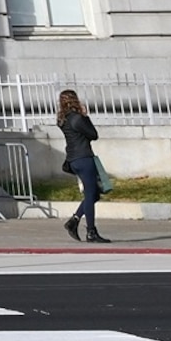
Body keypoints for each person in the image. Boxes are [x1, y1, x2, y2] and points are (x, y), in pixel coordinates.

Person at [57, 88, 108, 243]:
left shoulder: (62, 120)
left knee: (94, 194)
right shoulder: (78, 119)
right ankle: (91, 232)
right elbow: (93, 134)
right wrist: (85, 116)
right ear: (75, 100)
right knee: (90, 195)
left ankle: (74, 220)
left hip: (73, 160)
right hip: (84, 158)